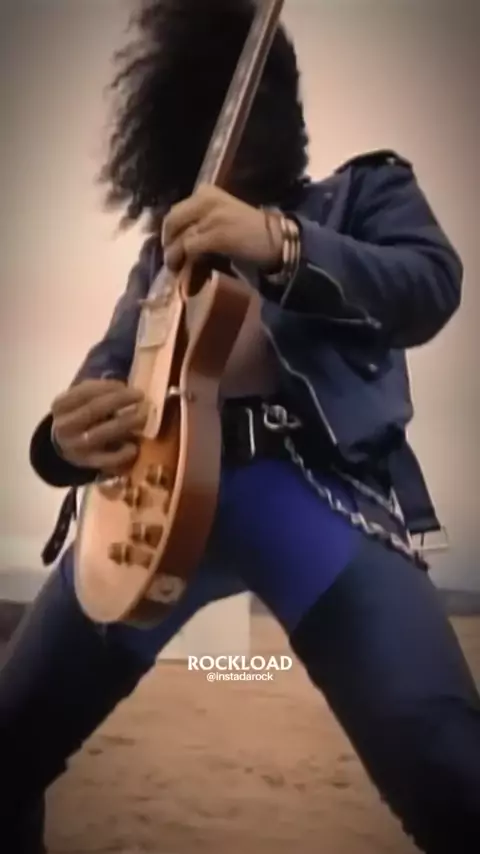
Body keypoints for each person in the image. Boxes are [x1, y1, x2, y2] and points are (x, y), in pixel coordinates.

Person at [1, 1, 479, 851]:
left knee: (447, 765)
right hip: (146, 518)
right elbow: (107, 370)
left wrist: (280, 241)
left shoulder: (363, 191)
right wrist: (60, 443)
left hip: (316, 498)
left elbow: (430, 283)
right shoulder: (162, 255)